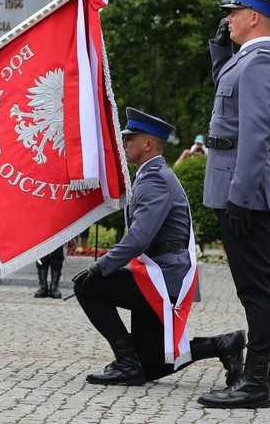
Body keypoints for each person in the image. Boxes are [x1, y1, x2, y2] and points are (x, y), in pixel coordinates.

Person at [72, 107, 245, 388]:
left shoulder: (154, 178)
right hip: (156, 272)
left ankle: (126, 362)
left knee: (87, 286)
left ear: (148, 144)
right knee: (151, 366)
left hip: (163, 277)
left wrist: (101, 266)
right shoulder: (151, 174)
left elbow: (139, 237)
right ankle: (223, 345)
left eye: (130, 139)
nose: (124, 143)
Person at [198, 0, 270, 409]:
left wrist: (238, 195)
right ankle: (263, 368)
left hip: (246, 190)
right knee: (258, 284)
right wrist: (220, 51)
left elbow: (255, 135)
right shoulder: (248, 60)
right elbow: (231, 99)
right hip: (240, 185)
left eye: (233, 13)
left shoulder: (262, 62)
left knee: (256, 287)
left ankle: (256, 383)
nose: (227, 19)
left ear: (253, 17)